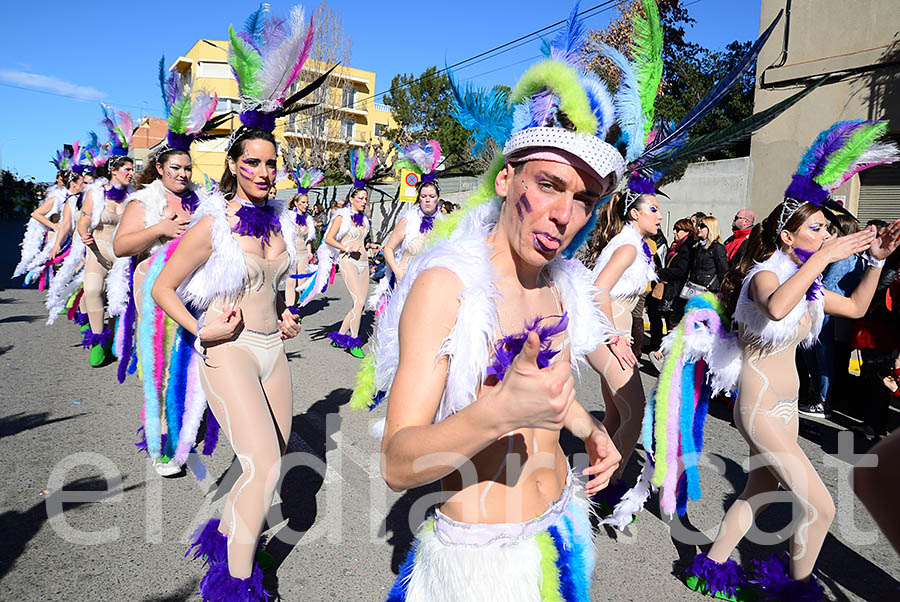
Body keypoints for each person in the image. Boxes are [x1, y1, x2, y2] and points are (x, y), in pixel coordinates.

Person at [362, 9, 626, 598]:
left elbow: (548, 395)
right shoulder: (446, 287)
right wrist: (496, 415)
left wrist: (589, 429)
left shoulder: (561, 283)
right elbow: (398, 461)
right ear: (508, 180)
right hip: (482, 565)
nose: (566, 215)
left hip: (563, 529)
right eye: (551, 185)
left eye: (584, 199)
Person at [685, 120, 900, 601]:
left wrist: (879, 260)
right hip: (759, 408)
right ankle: (797, 595)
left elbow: (859, 308)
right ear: (787, 237)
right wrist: (823, 258)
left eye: (826, 228)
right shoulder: (763, 276)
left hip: (788, 409)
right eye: (817, 228)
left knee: (757, 492)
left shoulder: (812, 284)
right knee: (820, 507)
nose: (825, 233)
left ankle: (711, 567)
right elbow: (778, 306)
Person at [154, 5, 317, 599]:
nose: (264, 172)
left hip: (275, 354)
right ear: (233, 164)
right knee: (266, 467)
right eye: (252, 161)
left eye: (271, 163)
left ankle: (226, 541)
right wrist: (202, 325)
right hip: (230, 353)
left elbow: (279, 283)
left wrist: (288, 311)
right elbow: (161, 288)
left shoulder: (282, 221)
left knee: (268, 470)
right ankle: (237, 587)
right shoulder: (212, 224)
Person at [115, 71, 218, 474]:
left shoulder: (200, 201)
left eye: (187, 168)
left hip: (194, 294)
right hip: (156, 296)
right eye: (175, 167)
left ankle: (186, 428)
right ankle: (161, 441)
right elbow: (122, 246)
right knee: (159, 368)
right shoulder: (144, 201)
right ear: (160, 168)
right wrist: (159, 228)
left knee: (191, 363)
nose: (183, 174)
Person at [798, 213, 864, 418]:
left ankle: (824, 401)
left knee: (824, 358)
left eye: (830, 230)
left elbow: (827, 285)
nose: (826, 234)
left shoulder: (846, 258)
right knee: (813, 356)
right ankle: (817, 395)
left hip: (828, 314)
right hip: (820, 312)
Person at [370, 141, 443, 314]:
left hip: (429, 284)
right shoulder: (408, 220)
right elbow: (388, 249)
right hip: (404, 281)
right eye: (423, 196)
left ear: (438, 198)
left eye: (431, 196)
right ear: (418, 198)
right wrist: (397, 272)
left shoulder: (443, 223)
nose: (427, 199)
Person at [284, 168, 321, 308]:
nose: (306, 205)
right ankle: (290, 309)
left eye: (307, 202)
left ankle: (296, 306)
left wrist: (310, 251)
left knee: (302, 284)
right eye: (303, 202)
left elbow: (309, 239)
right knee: (290, 282)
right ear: (296, 203)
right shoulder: (289, 217)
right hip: (292, 253)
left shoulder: (309, 220)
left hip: (304, 254)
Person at [689, 215, 728, 295]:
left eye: (702, 226)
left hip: (710, 290)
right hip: (695, 288)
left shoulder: (717, 247)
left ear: (710, 228)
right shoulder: (698, 246)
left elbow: (723, 271)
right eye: (698, 225)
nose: (698, 228)